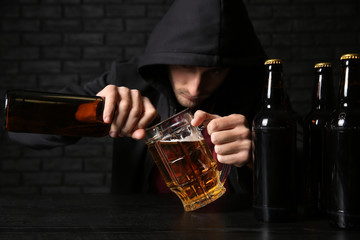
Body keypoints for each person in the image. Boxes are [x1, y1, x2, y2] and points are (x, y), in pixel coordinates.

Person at [9, 0, 267, 194]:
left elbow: (303, 159)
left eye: (215, 71)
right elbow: (22, 128)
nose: (197, 87)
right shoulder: (126, 79)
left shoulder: (255, 90)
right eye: (186, 67)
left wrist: (263, 152)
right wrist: (94, 111)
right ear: (165, 60)